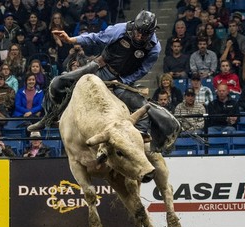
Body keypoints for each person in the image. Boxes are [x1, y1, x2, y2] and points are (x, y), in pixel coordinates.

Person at [27, 10, 181, 152]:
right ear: (134, 27)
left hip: (121, 80)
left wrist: (124, 80)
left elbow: (143, 69)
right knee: (59, 82)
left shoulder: (154, 48)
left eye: (145, 34)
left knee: (140, 104)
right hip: (99, 67)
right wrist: (71, 40)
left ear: (152, 32)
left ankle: (141, 133)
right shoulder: (121, 29)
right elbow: (96, 37)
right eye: (138, 32)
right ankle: (49, 117)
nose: (140, 36)